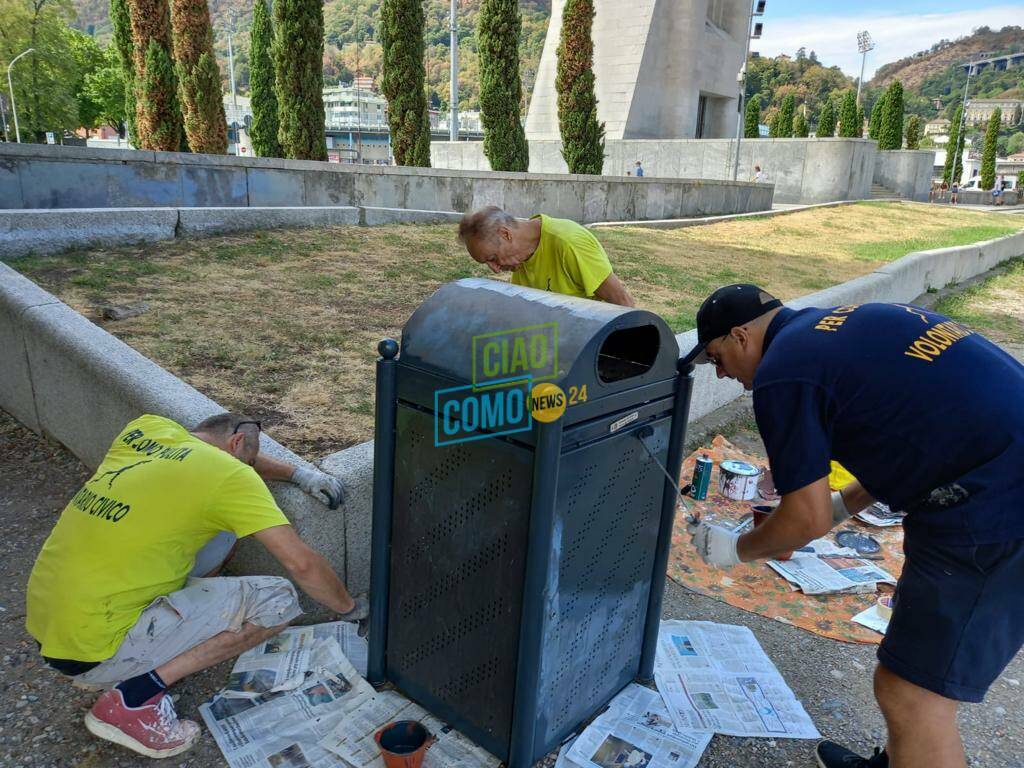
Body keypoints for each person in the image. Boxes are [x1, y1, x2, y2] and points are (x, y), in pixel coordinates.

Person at [681, 284, 1024, 768]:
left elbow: (806, 517)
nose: (723, 374)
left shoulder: (782, 374)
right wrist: (844, 505)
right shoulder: (843, 324)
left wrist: (734, 549)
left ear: (740, 336)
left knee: (911, 692)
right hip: (994, 469)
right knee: (915, 664)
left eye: (717, 357)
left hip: (994, 509)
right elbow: (901, 434)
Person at [26, 412, 369, 758]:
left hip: (51, 625)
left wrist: (297, 473)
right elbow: (302, 563)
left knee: (224, 526)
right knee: (277, 599)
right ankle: (134, 699)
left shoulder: (149, 430)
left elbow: (229, 461)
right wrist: (350, 607)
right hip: (96, 647)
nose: (251, 469)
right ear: (236, 444)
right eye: (249, 462)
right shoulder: (230, 477)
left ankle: (154, 643)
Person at [458, 206, 635, 306]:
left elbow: (622, 302)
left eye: (492, 258)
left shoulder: (568, 242)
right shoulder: (521, 258)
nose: (495, 269)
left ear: (505, 234)